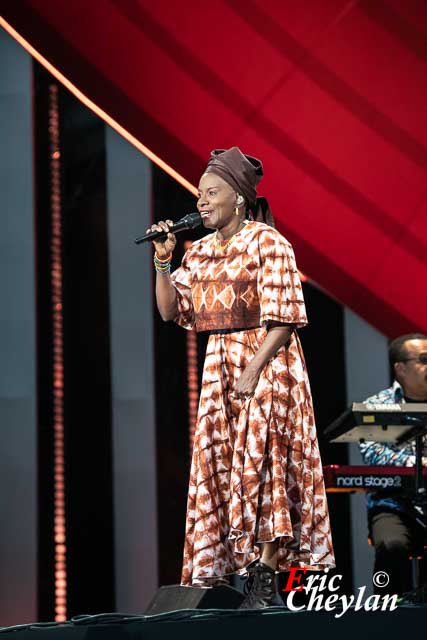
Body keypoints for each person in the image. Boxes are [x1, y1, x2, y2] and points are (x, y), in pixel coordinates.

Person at [148, 147, 335, 608]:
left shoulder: (268, 243)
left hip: (269, 360)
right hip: (220, 364)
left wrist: (253, 369)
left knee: (267, 461)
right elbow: (171, 311)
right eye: (199, 194)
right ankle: (232, 569)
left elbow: (286, 318)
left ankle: (268, 570)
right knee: (224, 462)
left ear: (239, 198)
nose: (202, 202)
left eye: (212, 193)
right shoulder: (202, 251)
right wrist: (163, 262)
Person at [359, 333, 427, 595]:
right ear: (400, 368)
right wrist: (419, 462)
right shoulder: (376, 406)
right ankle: (386, 607)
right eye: (423, 360)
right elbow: (373, 454)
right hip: (393, 502)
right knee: (391, 545)